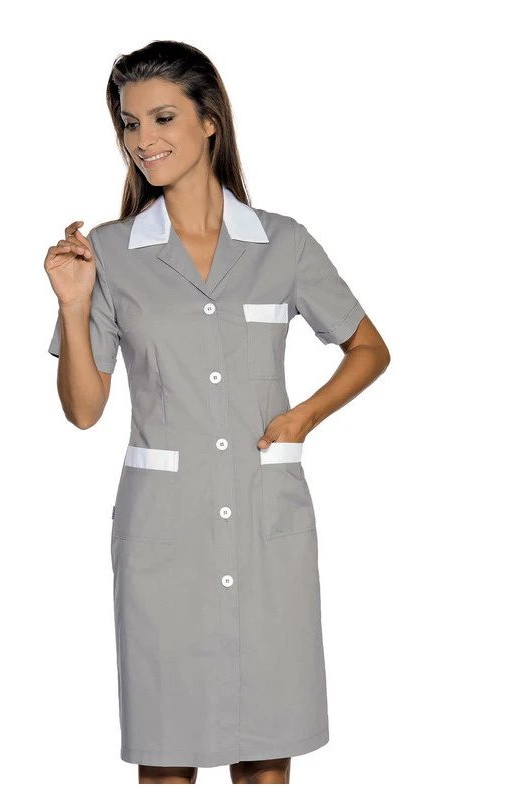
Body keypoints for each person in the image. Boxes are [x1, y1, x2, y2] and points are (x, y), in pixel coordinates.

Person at [44, 40, 390, 785]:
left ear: (210, 122)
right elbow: (83, 410)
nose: (143, 139)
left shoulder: (283, 244)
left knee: (268, 744)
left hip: (267, 520)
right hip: (165, 532)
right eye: (129, 123)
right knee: (166, 751)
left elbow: (368, 349)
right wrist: (74, 307)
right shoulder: (110, 253)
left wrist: (302, 418)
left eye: (162, 117)